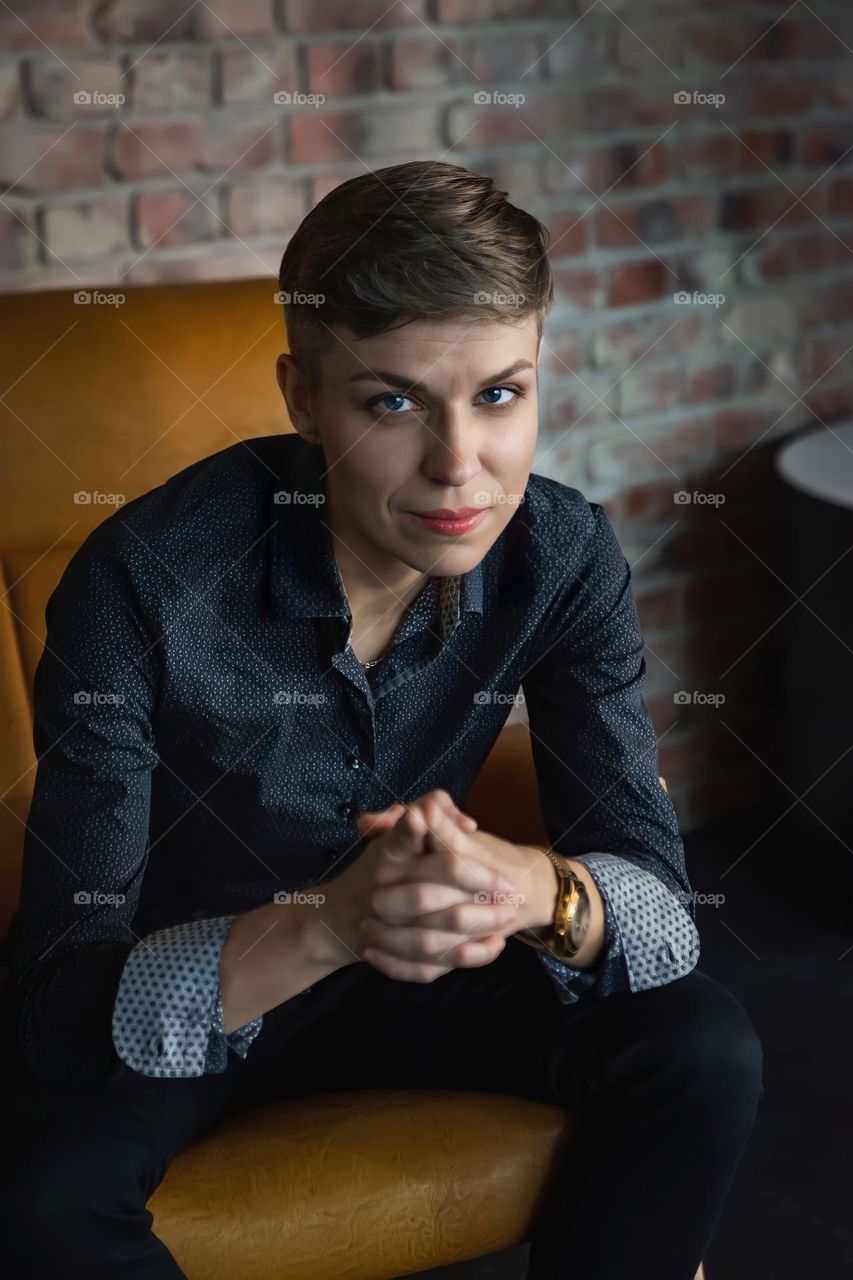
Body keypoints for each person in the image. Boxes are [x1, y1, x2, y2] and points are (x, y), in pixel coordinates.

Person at [0, 159, 763, 1279]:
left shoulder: (562, 554)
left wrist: (521, 886)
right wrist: (326, 925)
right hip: (205, 979)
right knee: (36, 1204)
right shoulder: (143, 582)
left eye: (500, 394)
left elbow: (656, 906)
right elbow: (60, 999)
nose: (462, 467)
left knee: (702, 1046)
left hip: (431, 964)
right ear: (303, 396)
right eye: (393, 400)